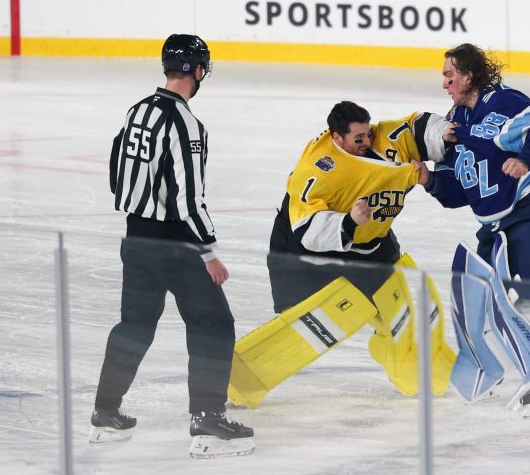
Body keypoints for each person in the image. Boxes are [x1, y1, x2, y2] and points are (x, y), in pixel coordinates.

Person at [227, 101, 454, 408]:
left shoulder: (384, 139)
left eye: (368, 134)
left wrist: (447, 134)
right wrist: (348, 222)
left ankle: (415, 365)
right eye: (358, 138)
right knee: (309, 316)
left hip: (373, 241)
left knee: (395, 300)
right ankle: (240, 378)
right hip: (304, 247)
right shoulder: (320, 169)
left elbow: (418, 127)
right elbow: (305, 229)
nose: (366, 142)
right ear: (337, 138)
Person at [92, 34, 254, 459]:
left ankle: (105, 411)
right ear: (197, 71)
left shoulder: (138, 110)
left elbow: (116, 170)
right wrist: (209, 252)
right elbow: (187, 200)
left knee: (135, 326)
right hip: (175, 244)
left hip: (137, 236)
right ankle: (207, 417)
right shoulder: (186, 123)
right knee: (214, 324)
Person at [414, 43, 530, 415]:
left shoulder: (502, 103)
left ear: (469, 75)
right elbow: (462, 189)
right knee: (483, 299)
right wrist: (429, 179)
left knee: (528, 300)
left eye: (449, 75)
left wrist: (527, 158)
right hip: (503, 221)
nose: (445, 84)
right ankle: (495, 369)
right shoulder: (458, 118)